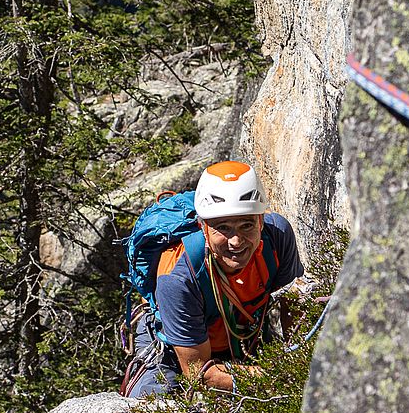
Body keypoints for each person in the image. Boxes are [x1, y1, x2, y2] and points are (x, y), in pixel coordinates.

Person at [126, 160, 304, 398]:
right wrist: (276, 377)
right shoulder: (178, 276)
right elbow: (198, 373)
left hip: (240, 340)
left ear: (261, 221)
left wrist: (301, 363)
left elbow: (294, 305)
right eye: (223, 227)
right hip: (174, 352)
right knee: (152, 406)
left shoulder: (277, 237)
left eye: (246, 225)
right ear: (203, 227)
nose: (236, 241)